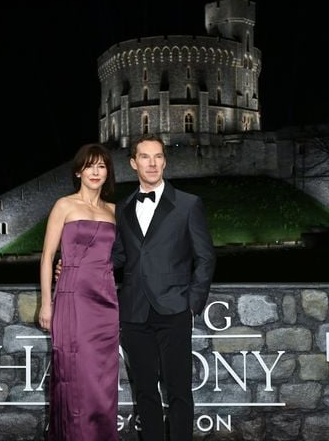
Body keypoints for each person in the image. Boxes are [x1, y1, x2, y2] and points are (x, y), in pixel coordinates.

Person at [112, 133, 216, 441]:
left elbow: (205, 257)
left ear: (165, 161)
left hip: (174, 310)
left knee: (179, 391)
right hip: (134, 313)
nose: (152, 162)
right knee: (145, 392)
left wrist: (192, 303)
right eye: (145, 156)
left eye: (158, 156)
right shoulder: (123, 208)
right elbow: (118, 255)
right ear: (133, 163)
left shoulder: (187, 204)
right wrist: (77, 265)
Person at [38, 143, 118, 440]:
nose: (95, 172)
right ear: (78, 171)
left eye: (101, 166)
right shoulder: (64, 205)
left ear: (107, 171)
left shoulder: (114, 210)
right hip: (72, 299)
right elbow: (47, 257)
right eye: (89, 166)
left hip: (106, 302)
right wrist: (47, 304)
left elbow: (126, 255)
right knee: (76, 374)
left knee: (103, 379)